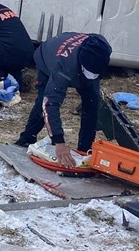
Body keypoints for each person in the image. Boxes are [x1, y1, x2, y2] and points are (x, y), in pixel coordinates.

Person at [14, 32, 112, 168]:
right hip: (47, 58)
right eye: (88, 72)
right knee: (43, 101)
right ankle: (26, 139)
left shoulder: (101, 48)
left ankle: (84, 151)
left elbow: (92, 97)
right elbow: (50, 104)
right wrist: (59, 141)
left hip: (82, 62)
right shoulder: (63, 67)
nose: (91, 76)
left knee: (92, 103)